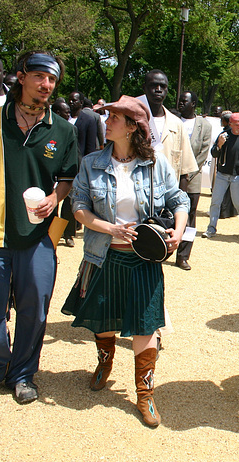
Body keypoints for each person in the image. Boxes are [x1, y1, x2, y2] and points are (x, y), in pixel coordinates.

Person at [61, 95, 189, 427]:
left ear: (132, 127)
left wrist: (177, 230)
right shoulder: (91, 163)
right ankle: (104, 362)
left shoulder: (155, 163)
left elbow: (179, 199)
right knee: (103, 320)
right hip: (102, 257)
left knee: (146, 326)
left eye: (113, 117)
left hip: (144, 261)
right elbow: (78, 206)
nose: (106, 121)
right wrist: (110, 227)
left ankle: (144, 394)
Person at [0, 51, 78, 404]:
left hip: (38, 236)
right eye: (39, 77)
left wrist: (56, 196)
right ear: (21, 78)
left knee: (35, 307)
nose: (46, 85)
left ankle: (22, 374)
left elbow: (66, 177)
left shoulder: (64, 130)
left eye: (51, 80)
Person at [139, 70, 197, 265]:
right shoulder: (134, 119)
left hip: (166, 194)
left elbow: (185, 169)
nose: (158, 90)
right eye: (153, 85)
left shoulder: (176, 124)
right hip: (139, 192)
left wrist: (179, 202)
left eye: (163, 86)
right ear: (144, 88)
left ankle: (182, 256)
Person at [176, 90, 212, 269]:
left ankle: (183, 255)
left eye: (184, 101)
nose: (180, 103)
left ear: (194, 104)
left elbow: (202, 154)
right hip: (170, 178)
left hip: (192, 180)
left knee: (189, 218)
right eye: (180, 100)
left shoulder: (204, 126)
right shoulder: (172, 121)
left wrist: (186, 175)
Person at [203, 112, 239, 238]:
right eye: (237, 125)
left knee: (238, 203)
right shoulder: (224, 136)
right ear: (230, 124)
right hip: (222, 174)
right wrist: (219, 144)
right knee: (215, 201)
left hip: (238, 176)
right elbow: (214, 154)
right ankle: (211, 228)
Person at [61, 91, 99, 248]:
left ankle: (70, 233)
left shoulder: (88, 119)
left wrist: (88, 168)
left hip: (78, 165)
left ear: (81, 102)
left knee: (72, 199)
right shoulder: (62, 117)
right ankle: (62, 231)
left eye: (75, 100)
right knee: (62, 199)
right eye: (70, 100)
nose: (71, 102)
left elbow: (91, 146)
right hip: (62, 164)